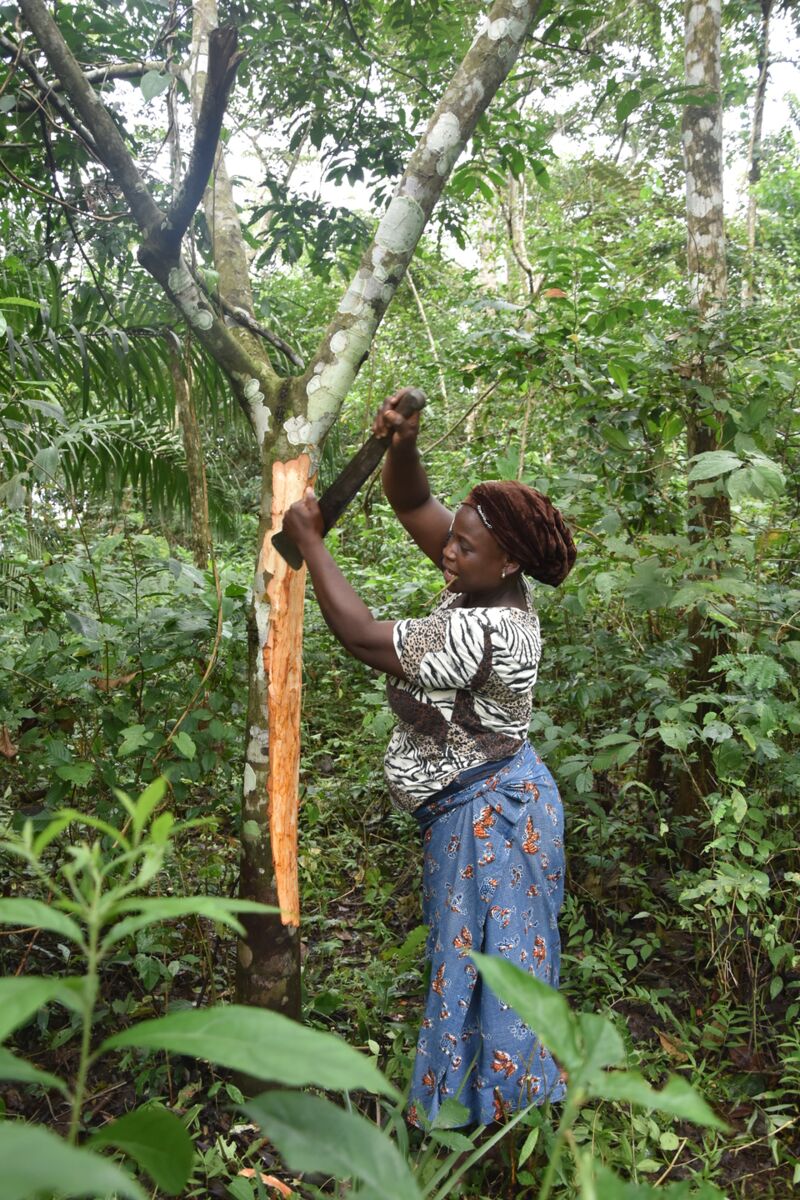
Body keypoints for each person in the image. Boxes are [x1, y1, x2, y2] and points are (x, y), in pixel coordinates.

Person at [282, 389, 577, 1128]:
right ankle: (477, 1120)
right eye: (454, 537)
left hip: (494, 817)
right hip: (472, 810)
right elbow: (415, 503)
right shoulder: (480, 570)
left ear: (509, 560)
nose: (447, 550)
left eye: (464, 545)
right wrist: (401, 442)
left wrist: (312, 542)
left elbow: (360, 636)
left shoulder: (491, 633)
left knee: (495, 970)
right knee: (474, 961)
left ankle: (503, 1131)